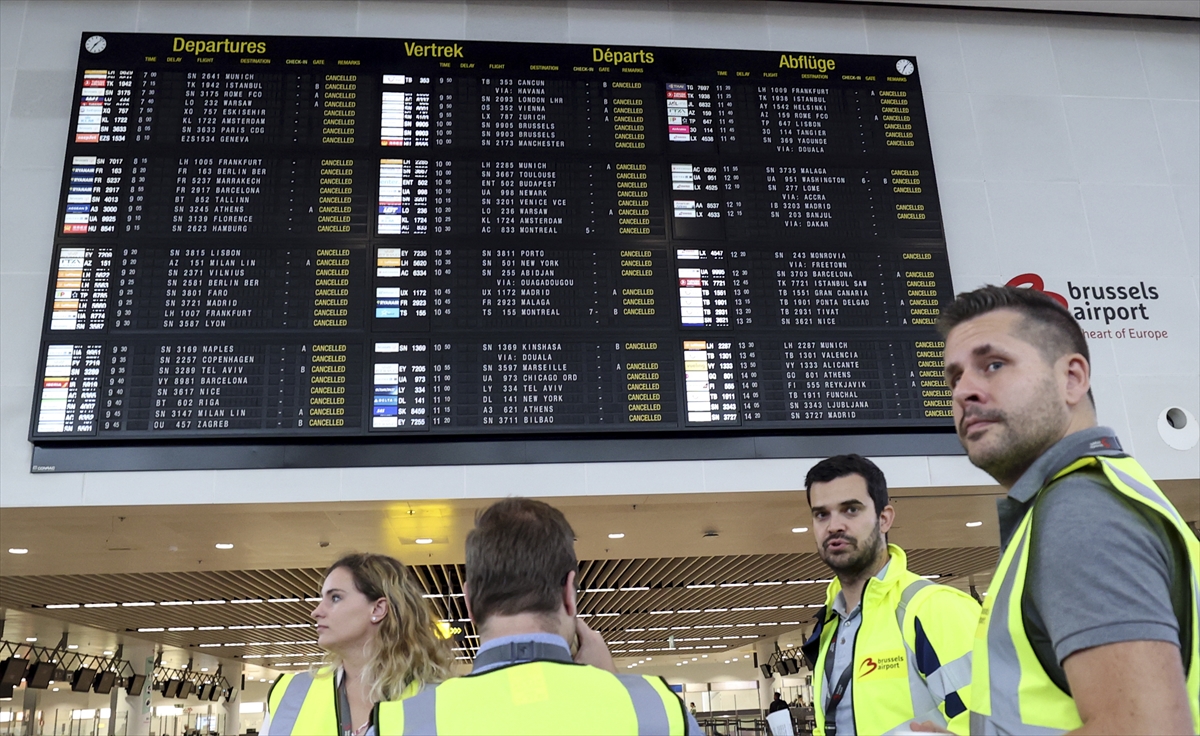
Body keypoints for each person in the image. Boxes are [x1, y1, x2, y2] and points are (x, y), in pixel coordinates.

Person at [931, 284, 1198, 734]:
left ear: (1072, 378)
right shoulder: (1099, 493)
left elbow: (1148, 728)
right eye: (954, 378)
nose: (964, 392)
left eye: (993, 365)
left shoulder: (1080, 512)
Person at [377, 497, 702, 735]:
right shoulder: (661, 712)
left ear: (470, 602)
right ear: (568, 594)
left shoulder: (400, 722)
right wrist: (613, 685)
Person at [799, 454, 979, 735]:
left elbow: (989, 721)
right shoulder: (830, 628)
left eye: (851, 510)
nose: (834, 525)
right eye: (822, 514)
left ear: (884, 519)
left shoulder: (932, 609)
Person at [264, 553, 453, 735]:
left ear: (378, 608)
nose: (316, 612)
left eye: (335, 597)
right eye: (322, 598)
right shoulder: (290, 694)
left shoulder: (438, 699)